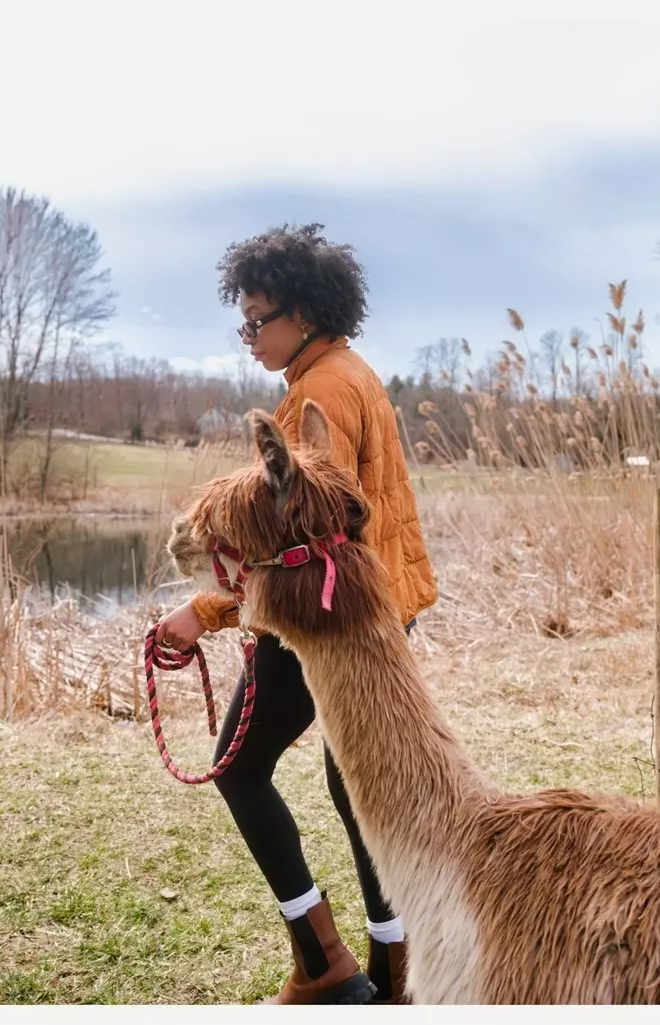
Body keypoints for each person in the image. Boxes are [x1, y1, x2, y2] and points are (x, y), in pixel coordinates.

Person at [155, 222, 437, 1004]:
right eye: (241, 321)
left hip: (324, 612)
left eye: (257, 319)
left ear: (305, 312)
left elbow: (305, 537)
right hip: (374, 607)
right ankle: (396, 973)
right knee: (357, 785)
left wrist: (205, 611)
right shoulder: (351, 374)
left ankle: (325, 961)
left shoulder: (320, 392)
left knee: (239, 766)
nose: (246, 336)